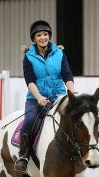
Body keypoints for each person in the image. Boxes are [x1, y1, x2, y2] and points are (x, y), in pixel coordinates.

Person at [14, 20, 74, 173]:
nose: (43, 37)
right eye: (39, 35)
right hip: (36, 98)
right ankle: (23, 157)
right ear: (34, 39)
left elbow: (67, 74)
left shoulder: (59, 54)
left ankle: (84, 152)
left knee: (77, 117)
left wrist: (71, 93)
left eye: (45, 34)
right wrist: (39, 98)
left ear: (49, 36)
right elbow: (30, 80)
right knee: (29, 120)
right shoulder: (28, 57)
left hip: (58, 96)